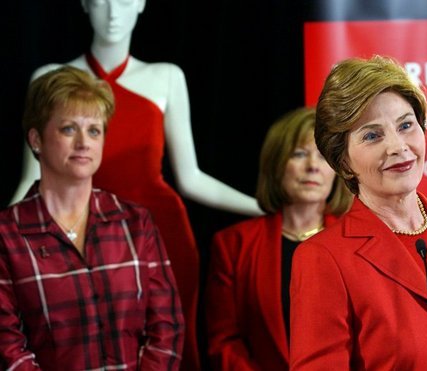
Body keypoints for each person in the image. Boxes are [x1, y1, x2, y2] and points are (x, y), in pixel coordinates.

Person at [10, 1, 262, 369]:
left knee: (167, 344)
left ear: (142, 5)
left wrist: (265, 206)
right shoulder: (51, 77)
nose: (113, 13)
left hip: (161, 233)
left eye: (125, 1)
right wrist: (5, 234)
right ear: (83, 4)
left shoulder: (166, 77)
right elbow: (30, 176)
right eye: (102, 2)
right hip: (70, 232)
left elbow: (189, 178)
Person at [289, 55, 427, 370]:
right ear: (343, 162)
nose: (397, 146)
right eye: (372, 135)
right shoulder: (322, 258)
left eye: (406, 125)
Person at [0, 66, 184, 370]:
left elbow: (167, 326)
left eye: (94, 130)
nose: (84, 142)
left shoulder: (136, 223)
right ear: (36, 139)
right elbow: (8, 348)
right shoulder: (8, 234)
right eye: (69, 129)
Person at [204, 107, 353, 370]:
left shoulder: (355, 241)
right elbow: (224, 342)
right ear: (276, 164)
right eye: (299, 154)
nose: (312, 167)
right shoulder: (232, 245)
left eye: (322, 156)